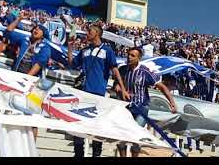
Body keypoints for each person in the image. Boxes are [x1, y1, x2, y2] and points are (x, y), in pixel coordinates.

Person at [0, 10, 51, 142]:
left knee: (32, 116)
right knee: (11, 111)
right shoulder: (24, 40)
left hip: (35, 85)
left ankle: (31, 147)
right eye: (35, 28)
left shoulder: (45, 47)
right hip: (17, 81)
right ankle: (7, 144)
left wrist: (27, 79)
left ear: (43, 35)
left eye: (39, 29)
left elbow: (40, 63)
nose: (36, 29)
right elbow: (8, 33)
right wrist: (18, 19)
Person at [67, 24, 129, 157]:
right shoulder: (84, 50)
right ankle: (78, 154)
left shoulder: (107, 50)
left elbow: (115, 70)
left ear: (98, 34)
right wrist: (70, 47)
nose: (87, 33)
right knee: (78, 126)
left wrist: (122, 89)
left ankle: (96, 154)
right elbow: (72, 64)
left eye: (90, 31)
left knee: (96, 127)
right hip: (82, 93)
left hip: (98, 94)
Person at [116, 47, 177, 157]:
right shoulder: (122, 69)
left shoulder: (145, 72)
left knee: (135, 136)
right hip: (126, 107)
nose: (129, 57)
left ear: (139, 58)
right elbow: (116, 85)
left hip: (141, 107)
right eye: (128, 54)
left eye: (132, 55)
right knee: (121, 138)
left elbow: (162, 87)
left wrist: (172, 102)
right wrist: (119, 89)